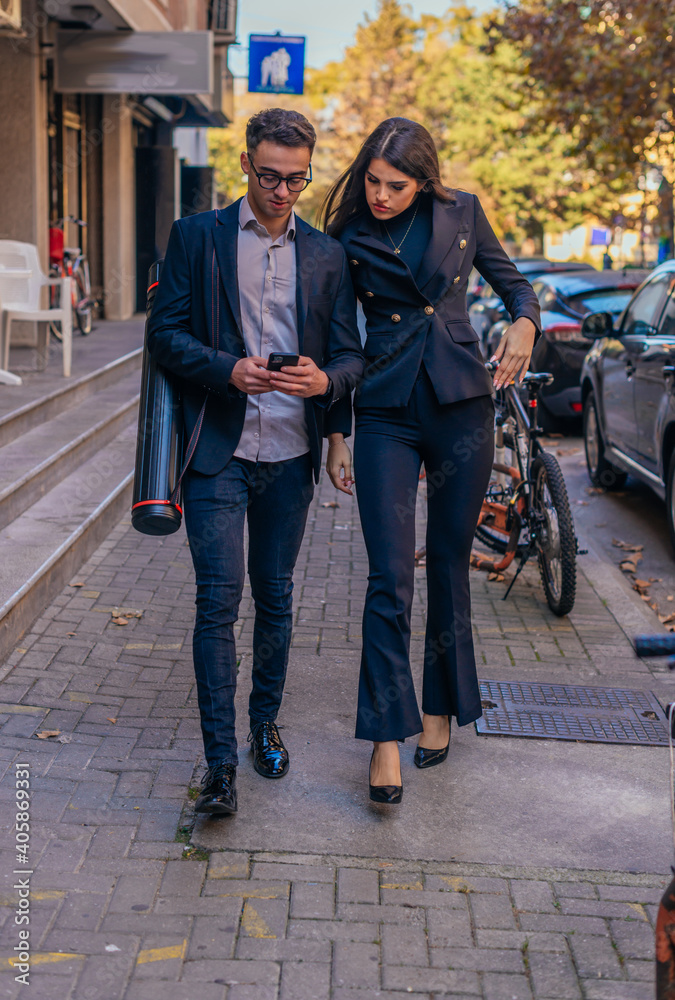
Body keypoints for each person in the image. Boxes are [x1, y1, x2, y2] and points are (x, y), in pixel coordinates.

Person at [147, 108, 364, 815]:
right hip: (219, 449)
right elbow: (164, 336)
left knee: (274, 598)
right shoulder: (196, 237)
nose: (281, 192)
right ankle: (219, 767)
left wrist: (326, 386)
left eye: (296, 180)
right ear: (245, 164)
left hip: (291, 453)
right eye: (269, 176)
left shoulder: (327, 254)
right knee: (219, 602)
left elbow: (351, 355)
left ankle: (262, 724)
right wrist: (225, 370)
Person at [321, 117, 541, 803]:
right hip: (383, 410)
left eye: (396, 184)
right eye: (372, 182)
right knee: (389, 576)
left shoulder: (463, 211)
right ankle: (386, 736)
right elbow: (330, 338)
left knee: (447, 564)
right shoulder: (347, 237)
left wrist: (525, 324)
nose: (380, 194)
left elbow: (515, 287)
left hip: (459, 407)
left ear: (423, 180)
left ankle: (440, 709)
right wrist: (335, 432)